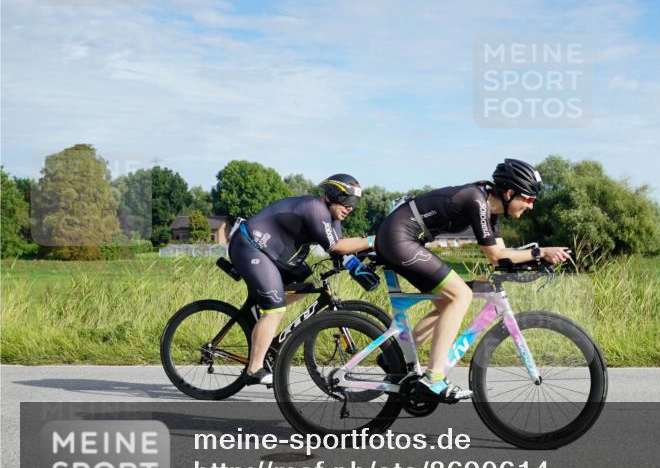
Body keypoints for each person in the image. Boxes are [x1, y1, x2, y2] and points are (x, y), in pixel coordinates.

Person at [374, 158, 571, 401]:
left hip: (403, 239)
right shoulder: (476, 200)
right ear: (510, 193)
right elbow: (496, 255)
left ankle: (395, 358)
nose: (530, 206)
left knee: (447, 303)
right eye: (528, 199)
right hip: (399, 238)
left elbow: (500, 258)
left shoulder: (490, 211)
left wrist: (537, 260)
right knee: (461, 295)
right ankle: (433, 378)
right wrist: (540, 252)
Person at [228, 174, 375, 385]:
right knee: (276, 310)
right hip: (250, 245)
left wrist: (364, 265)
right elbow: (336, 247)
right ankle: (253, 370)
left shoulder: (333, 219)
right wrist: (373, 240)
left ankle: (265, 311)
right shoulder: (315, 207)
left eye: (354, 203)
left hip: (274, 254)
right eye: (347, 201)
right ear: (330, 196)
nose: (351, 207)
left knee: (310, 284)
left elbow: (340, 251)